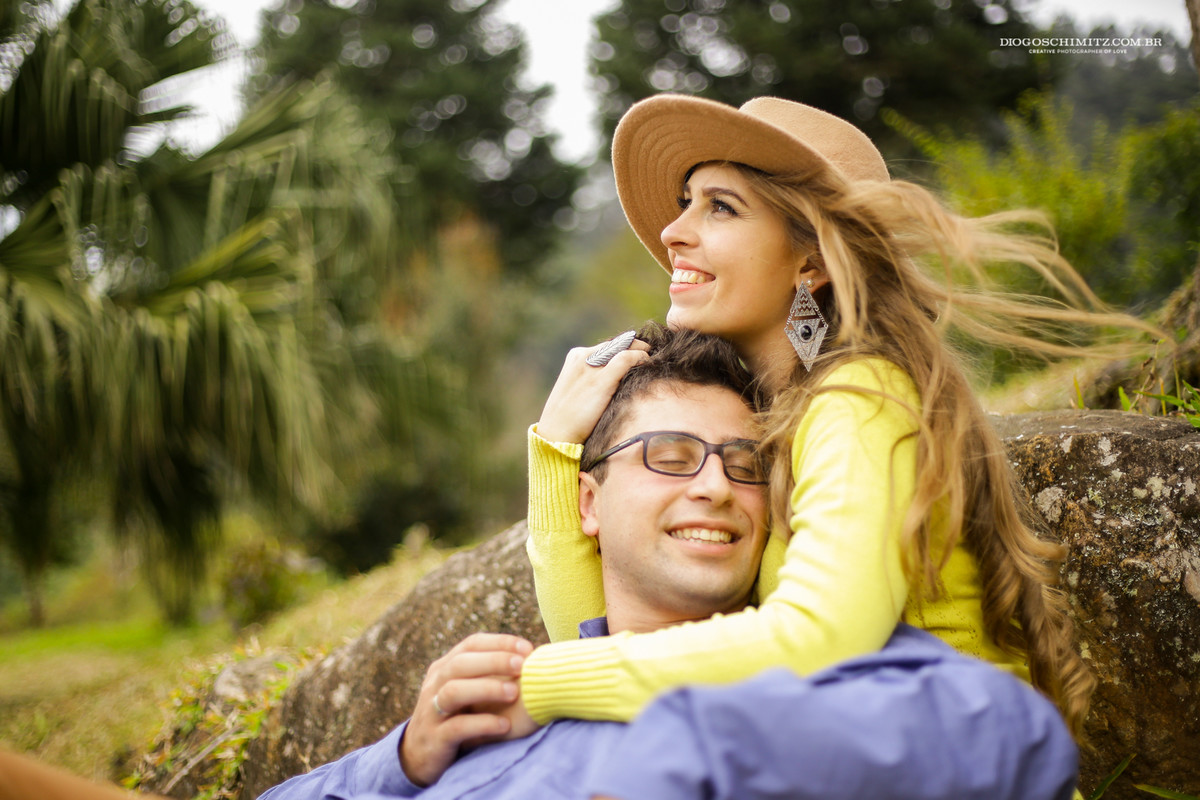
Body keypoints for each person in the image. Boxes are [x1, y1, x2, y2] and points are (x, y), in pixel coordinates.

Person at [520, 94, 1158, 739]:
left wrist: (537, 685)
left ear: (812, 262)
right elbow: (608, 626)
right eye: (687, 201)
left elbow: (824, 637)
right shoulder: (777, 422)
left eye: (720, 206)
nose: (673, 230)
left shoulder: (858, 397)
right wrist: (555, 449)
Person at [251, 326, 1077, 800]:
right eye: (672, 455)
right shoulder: (488, 719)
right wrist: (399, 761)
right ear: (587, 505)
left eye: (746, 463)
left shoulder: (829, 691)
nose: (719, 486)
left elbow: (1003, 731)